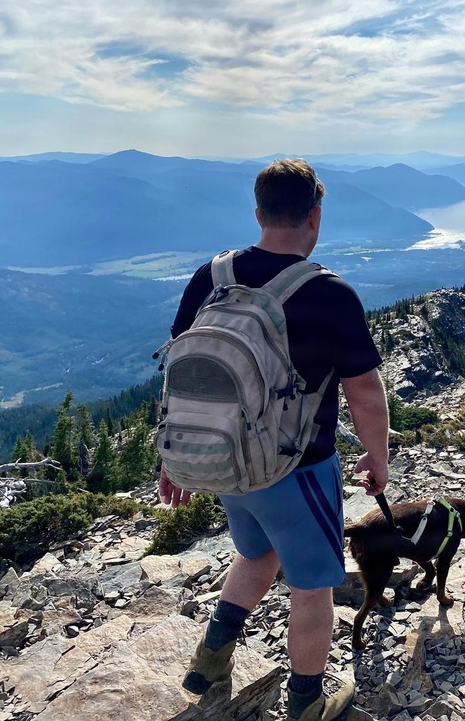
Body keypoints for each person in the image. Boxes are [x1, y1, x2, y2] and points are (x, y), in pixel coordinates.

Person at [159, 158, 389, 721]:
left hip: (228, 463)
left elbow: (182, 373)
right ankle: (307, 703)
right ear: (315, 215)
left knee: (256, 552)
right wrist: (378, 456)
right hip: (296, 469)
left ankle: (210, 659)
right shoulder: (329, 294)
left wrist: (178, 456)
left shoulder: (212, 278)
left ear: (258, 212)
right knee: (312, 587)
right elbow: (364, 392)